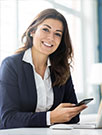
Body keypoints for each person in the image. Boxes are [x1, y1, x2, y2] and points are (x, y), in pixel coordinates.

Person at [0, 8, 87, 129]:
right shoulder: (11, 65)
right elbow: (7, 119)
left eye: (57, 34)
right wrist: (50, 117)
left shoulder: (61, 69)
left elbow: (73, 117)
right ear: (32, 31)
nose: (51, 38)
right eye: (46, 29)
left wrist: (68, 113)